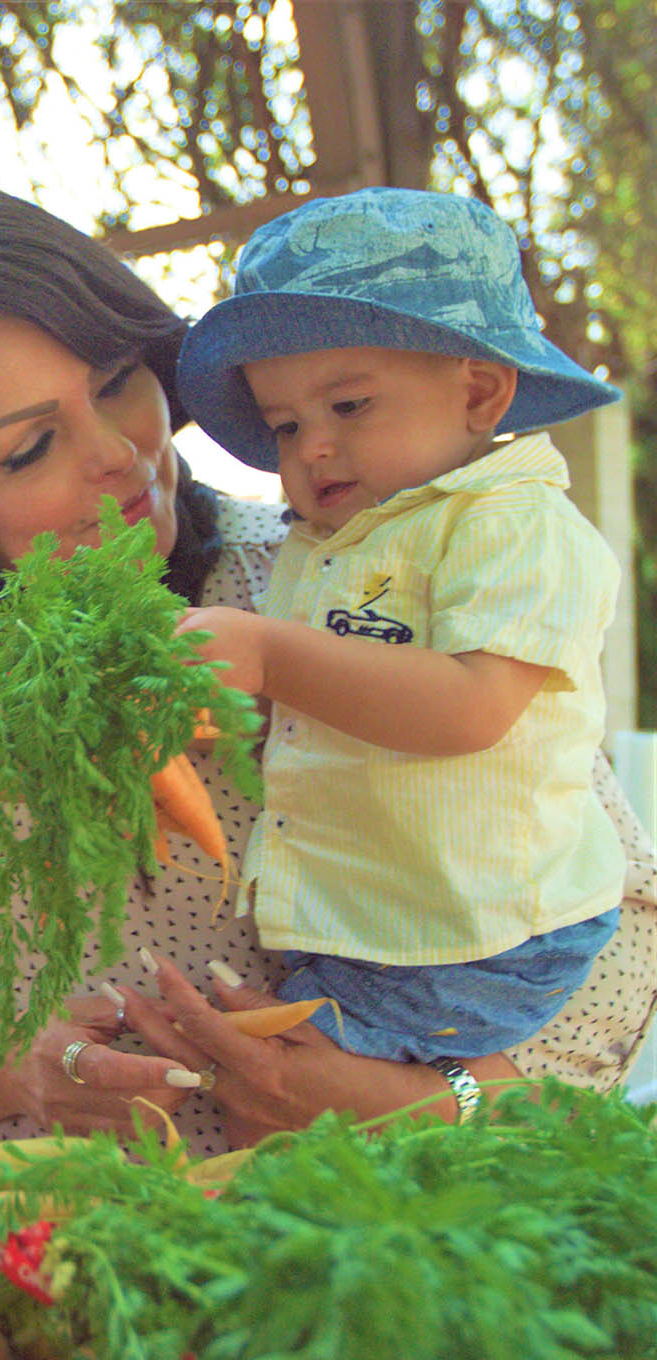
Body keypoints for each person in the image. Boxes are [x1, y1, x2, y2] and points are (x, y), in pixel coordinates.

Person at [0, 184, 657, 1169]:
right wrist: (7, 1064)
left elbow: (616, 943)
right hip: (47, 1276)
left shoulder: (352, 576)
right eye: (29, 446)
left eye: (118, 381)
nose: (118, 454)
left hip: (353, 1266)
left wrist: (421, 1100)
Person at [171, 187, 624, 1066]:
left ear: (481, 391)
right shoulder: (334, 542)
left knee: (300, 1103)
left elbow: (468, 708)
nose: (312, 448)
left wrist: (269, 654)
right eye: (286, 424)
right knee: (277, 1089)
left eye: (349, 407)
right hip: (380, 923)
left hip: (476, 935)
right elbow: (322, 709)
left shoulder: (511, 524)